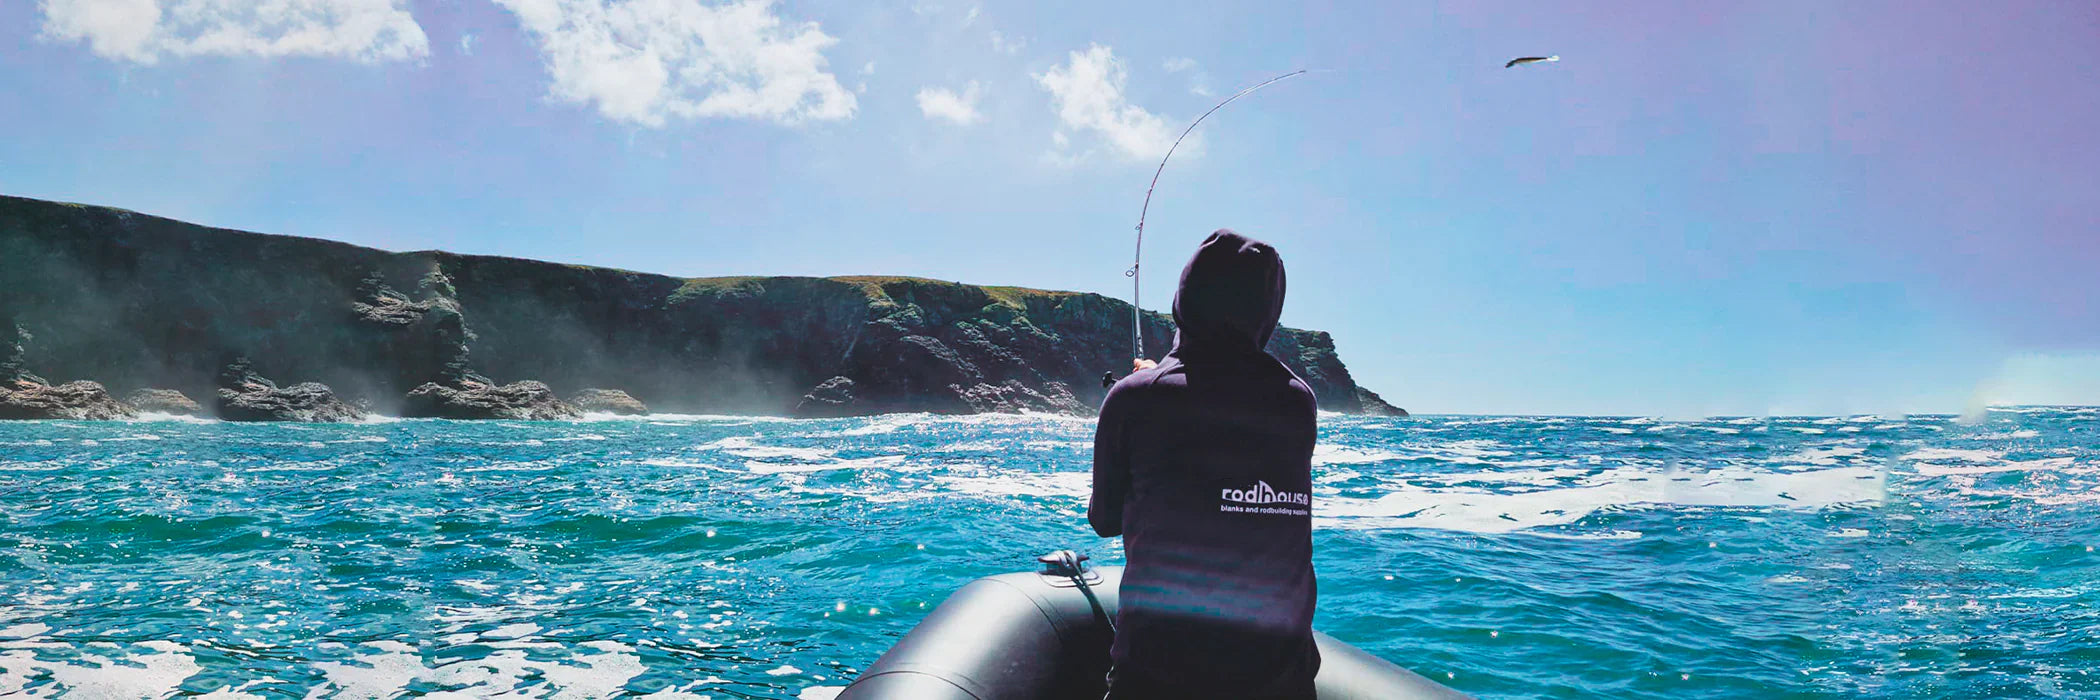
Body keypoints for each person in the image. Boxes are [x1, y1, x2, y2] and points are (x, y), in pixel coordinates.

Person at [1089, 229, 1320, 699]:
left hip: (1161, 675)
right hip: (1283, 678)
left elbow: (1105, 520)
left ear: (1184, 299)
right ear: (1269, 311)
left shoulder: (1137, 396)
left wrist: (1149, 379)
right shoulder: (1299, 401)